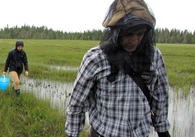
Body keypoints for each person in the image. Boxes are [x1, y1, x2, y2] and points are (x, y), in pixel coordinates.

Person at [65, 0, 171, 137]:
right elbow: (77, 104)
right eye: (129, 34)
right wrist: (72, 134)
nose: (135, 40)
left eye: (140, 34)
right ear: (116, 31)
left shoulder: (154, 56)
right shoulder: (96, 59)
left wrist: (163, 131)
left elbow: (161, 98)